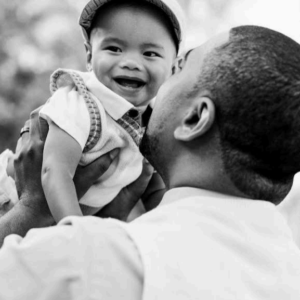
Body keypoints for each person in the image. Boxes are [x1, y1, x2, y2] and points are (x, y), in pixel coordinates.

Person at [1, 25, 300, 299]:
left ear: (195, 118)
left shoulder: (84, 261)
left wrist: (29, 211)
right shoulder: (289, 276)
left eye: (179, 68)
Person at [4, 0, 184, 222]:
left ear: (173, 68)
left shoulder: (155, 121)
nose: (130, 62)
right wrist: (77, 230)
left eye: (150, 53)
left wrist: (168, 221)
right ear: (89, 56)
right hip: (11, 202)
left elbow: (155, 188)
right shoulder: (80, 103)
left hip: (61, 217)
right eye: (114, 49)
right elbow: (56, 172)